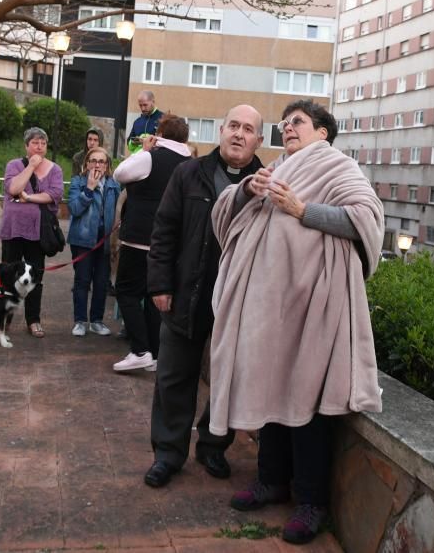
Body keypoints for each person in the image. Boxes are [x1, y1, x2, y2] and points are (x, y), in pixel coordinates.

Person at [208, 100, 384, 545]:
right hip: (271, 310)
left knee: (307, 405)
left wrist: (304, 211)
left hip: (314, 309)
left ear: (322, 133)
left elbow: (368, 220)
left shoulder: (337, 166)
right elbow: (227, 219)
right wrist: (248, 190)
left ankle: (310, 502)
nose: (288, 128)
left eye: (298, 122)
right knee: (272, 395)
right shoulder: (276, 169)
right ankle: (271, 481)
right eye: (285, 124)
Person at [144, 105, 265, 489]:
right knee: (173, 378)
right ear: (220, 130)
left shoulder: (268, 184)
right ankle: (167, 453)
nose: (239, 134)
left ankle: (213, 446)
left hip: (237, 305)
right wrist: (160, 285)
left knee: (230, 379)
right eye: (233, 125)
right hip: (186, 295)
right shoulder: (188, 173)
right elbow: (163, 230)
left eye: (249, 129)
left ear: (258, 141)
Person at [111, 114, 191, 372]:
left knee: (126, 292)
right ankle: (154, 353)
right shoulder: (191, 163)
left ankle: (140, 350)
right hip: (169, 244)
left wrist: (144, 150)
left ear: (159, 132)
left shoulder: (150, 157)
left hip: (138, 239)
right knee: (153, 295)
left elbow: (119, 174)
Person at [0, 126, 64, 339]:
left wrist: (30, 198)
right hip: (13, 229)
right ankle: (2, 319)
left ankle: (33, 320)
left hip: (38, 232)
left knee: (36, 276)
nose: (40, 146)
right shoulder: (14, 165)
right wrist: (31, 167)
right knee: (7, 275)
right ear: (26, 146)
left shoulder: (55, 169)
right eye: (35, 143)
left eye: (43, 143)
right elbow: (13, 189)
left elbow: (54, 194)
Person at [67, 146, 121, 337]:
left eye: (102, 161)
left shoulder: (114, 185)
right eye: (94, 161)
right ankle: (80, 321)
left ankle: (96, 321)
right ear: (87, 163)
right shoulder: (78, 182)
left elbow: (119, 210)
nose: (97, 164)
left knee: (101, 282)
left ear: (107, 166)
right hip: (82, 239)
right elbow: (74, 208)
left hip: (105, 240)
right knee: (82, 281)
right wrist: (88, 190)